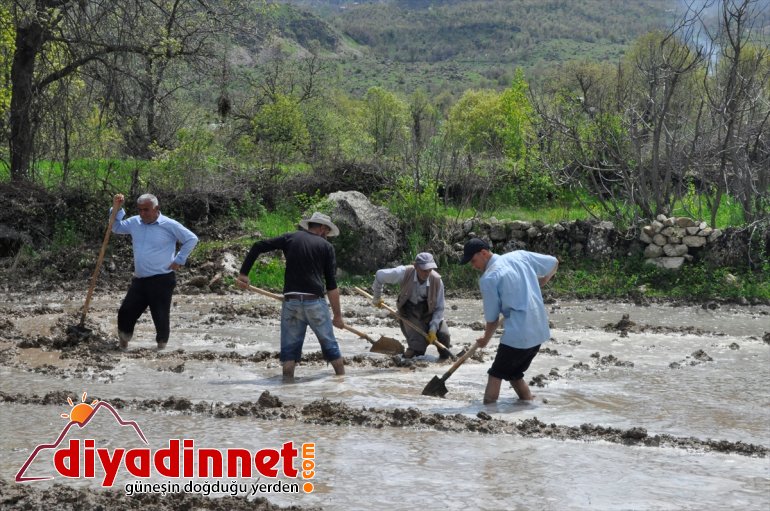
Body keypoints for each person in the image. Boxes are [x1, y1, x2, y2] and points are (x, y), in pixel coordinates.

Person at [236, 212, 345, 382]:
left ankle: (287, 388)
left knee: (289, 352)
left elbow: (258, 246)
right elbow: (331, 286)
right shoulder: (326, 247)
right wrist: (338, 316)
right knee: (330, 346)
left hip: (291, 301)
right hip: (314, 302)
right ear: (322, 228)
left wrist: (243, 274)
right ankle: (342, 383)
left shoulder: (290, 238)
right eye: (327, 233)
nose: (327, 237)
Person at [460, 238, 558, 404]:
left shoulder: (489, 278)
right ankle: (528, 405)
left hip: (518, 335)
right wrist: (543, 280)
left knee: (496, 373)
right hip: (539, 331)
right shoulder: (520, 256)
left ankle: (487, 412)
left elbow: (492, 319)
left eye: (473, 261)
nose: (473, 266)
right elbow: (554, 262)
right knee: (514, 375)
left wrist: (485, 339)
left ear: (484, 253)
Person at [111, 193, 199, 351]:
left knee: (160, 316)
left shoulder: (169, 224)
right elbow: (116, 227)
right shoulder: (134, 222)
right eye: (140, 210)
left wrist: (179, 259)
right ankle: (123, 344)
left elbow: (191, 239)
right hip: (140, 279)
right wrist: (117, 209)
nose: (142, 213)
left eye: (146, 210)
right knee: (125, 312)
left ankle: (161, 349)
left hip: (162, 279)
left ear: (156, 208)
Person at [371, 252, 452, 360]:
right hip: (409, 314)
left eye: (429, 270)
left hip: (430, 314)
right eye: (424, 270)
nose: (427, 273)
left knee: (444, 336)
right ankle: (407, 359)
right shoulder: (404, 272)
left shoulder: (437, 281)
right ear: (415, 266)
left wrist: (433, 329)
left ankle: (444, 361)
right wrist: (377, 297)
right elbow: (380, 275)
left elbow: (439, 308)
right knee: (418, 347)